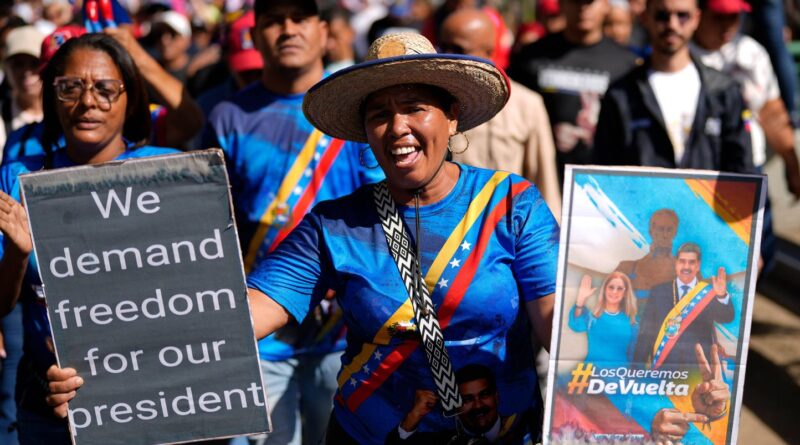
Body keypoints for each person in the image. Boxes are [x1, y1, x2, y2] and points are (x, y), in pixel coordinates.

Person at [49, 32, 558, 445]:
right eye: (379, 113)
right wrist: (107, 356)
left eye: (415, 107)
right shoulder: (335, 224)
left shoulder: (512, 205)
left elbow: (556, 323)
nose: (397, 126)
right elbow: (242, 316)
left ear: (451, 117)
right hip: (370, 435)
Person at [202, 1, 383, 443]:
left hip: (347, 337)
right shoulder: (227, 117)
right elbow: (208, 230)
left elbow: (383, 217)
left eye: (299, 19)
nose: (287, 30)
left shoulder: (355, 115)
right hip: (258, 338)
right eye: (273, 21)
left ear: (323, 31)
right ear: (256, 35)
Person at [0, 33, 179, 445]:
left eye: (104, 89)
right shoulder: (18, 177)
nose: (87, 102)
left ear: (130, 99)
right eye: (70, 88)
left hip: (154, 400)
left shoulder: (170, 175)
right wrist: (17, 253)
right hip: (50, 404)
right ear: (52, 96)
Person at [592, 0, 754, 175]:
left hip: (708, 202)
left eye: (682, 15)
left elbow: (742, 169)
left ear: (696, 19)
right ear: (645, 17)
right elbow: (605, 173)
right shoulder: (620, 94)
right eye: (662, 15)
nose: (672, 24)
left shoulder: (722, 89)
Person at [439, 8, 561, 220]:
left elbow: (545, 182)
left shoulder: (526, 104)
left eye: (459, 49)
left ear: (488, 51)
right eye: (444, 47)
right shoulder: (432, 105)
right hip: (449, 232)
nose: (449, 56)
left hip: (508, 233)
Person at [509, 0, 639, 184]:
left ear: (606, 6)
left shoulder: (627, 64)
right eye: (575, 2)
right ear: (561, 5)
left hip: (603, 180)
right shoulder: (530, 57)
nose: (582, 8)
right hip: (543, 178)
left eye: (591, 2)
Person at [691, 0, 800, 199]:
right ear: (698, 15)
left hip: (748, 168)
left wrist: (792, 167)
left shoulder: (751, 52)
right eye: (719, 17)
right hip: (697, 173)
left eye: (734, 16)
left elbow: (771, 112)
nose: (727, 25)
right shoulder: (679, 56)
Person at [633, 242, 734, 367]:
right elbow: (646, 333)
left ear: (698, 266)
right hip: (664, 366)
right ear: (676, 264)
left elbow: (726, 317)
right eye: (682, 261)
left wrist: (721, 295)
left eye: (691, 262)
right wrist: (636, 368)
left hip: (698, 369)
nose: (686, 266)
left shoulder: (708, 293)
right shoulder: (658, 291)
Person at [385, 364, 527, 444]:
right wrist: (414, 415)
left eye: (484, 395)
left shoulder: (526, 426)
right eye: (467, 400)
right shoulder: (442, 442)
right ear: (455, 405)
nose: (477, 406)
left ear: (496, 397)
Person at [615, 209, 679, 312]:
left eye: (669, 230)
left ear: (675, 233)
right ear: (651, 231)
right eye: (660, 229)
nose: (665, 235)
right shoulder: (628, 268)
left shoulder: (685, 271)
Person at [568, 271, 638, 364]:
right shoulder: (593, 316)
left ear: (625, 293)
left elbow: (633, 353)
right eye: (611, 287)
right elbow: (576, 326)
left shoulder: (632, 320)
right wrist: (580, 300)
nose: (614, 291)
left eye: (620, 288)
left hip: (619, 373)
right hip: (591, 372)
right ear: (605, 289)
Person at [0, 26, 45, 160]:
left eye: (34, 63)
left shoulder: (63, 114)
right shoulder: (3, 116)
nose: (26, 72)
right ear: (7, 70)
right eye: (18, 65)